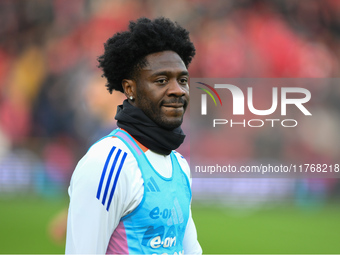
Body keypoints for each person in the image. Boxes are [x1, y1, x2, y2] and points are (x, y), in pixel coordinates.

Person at [65, 17, 202, 255]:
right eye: (161, 81)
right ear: (130, 89)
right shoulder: (107, 163)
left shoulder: (179, 166)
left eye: (183, 80)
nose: (177, 90)